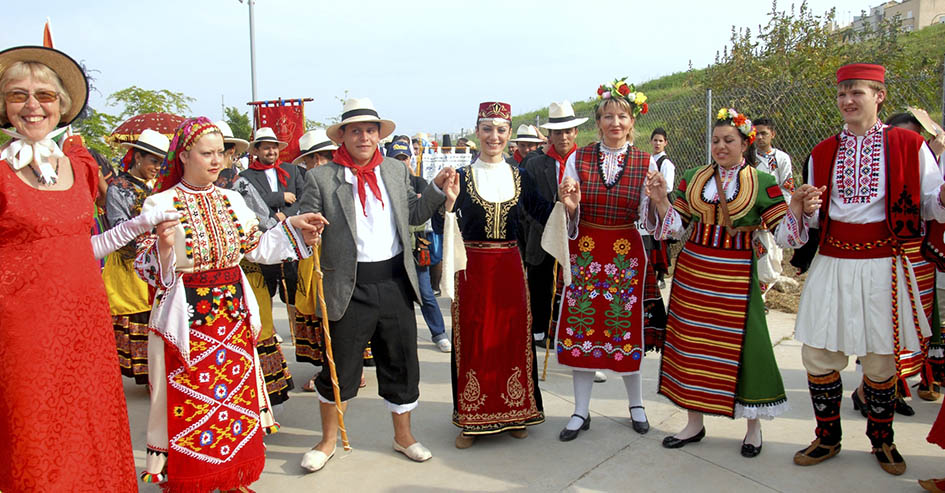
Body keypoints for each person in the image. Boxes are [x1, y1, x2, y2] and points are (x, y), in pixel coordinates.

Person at [0, 44, 178, 492]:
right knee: (34, 432)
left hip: (85, 321)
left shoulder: (78, 167)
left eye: (45, 95)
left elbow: (89, 244)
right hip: (22, 329)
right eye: (18, 95)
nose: (32, 105)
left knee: (88, 424)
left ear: (62, 106)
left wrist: (147, 225)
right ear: (4, 106)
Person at [135, 117, 323, 491]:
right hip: (187, 324)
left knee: (233, 402)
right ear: (184, 154)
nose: (217, 160)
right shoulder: (160, 202)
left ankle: (231, 476)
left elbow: (258, 248)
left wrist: (294, 227)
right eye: (207, 153)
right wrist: (163, 246)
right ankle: (194, 480)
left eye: (221, 152)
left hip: (233, 319)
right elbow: (146, 267)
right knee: (193, 405)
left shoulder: (232, 199)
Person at [791, 64, 945, 476]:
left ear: (879, 96)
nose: (847, 101)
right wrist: (805, 209)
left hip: (884, 262)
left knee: (881, 361)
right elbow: (812, 222)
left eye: (856, 92)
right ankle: (827, 437)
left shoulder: (910, 145)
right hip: (834, 260)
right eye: (842, 94)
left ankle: (883, 441)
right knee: (819, 355)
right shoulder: (822, 151)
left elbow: (930, 204)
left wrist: (944, 195)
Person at [647, 106, 820, 458]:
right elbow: (676, 228)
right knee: (691, 347)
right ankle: (694, 422)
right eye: (715, 140)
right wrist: (661, 200)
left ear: (745, 143)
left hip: (736, 275)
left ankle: (752, 428)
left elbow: (785, 236)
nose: (720, 146)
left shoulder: (763, 182)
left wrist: (798, 207)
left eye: (728, 140)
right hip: (693, 272)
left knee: (746, 347)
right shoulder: (694, 177)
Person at [297, 98, 452, 471]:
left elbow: (412, 215)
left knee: (400, 363)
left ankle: (403, 437)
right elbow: (300, 220)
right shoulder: (323, 177)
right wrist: (307, 229)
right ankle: (328, 441)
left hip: (395, 283)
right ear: (344, 137)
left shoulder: (396, 171)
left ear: (379, 135)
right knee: (340, 368)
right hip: (348, 288)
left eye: (370, 130)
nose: (364, 137)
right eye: (356, 131)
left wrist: (435, 189)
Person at [444, 101, 578, 448]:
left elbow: (543, 212)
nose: (494, 136)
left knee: (511, 339)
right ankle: (471, 419)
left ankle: (516, 412)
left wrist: (566, 203)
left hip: (509, 269)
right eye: (487, 129)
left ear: (509, 135)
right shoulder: (460, 177)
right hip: (472, 271)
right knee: (474, 341)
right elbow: (443, 221)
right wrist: (446, 204)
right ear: (477, 132)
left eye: (501, 130)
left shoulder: (521, 176)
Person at [553, 84, 668, 442]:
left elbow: (649, 221)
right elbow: (570, 211)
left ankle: (636, 406)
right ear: (599, 121)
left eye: (621, 116)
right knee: (583, 328)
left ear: (632, 121)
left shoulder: (646, 162)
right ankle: (580, 410)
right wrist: (570, 207)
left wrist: (654, 200)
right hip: (586, 249)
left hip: (624, 252)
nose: (614, 122)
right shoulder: (579, 158)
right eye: (607, 116)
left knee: (624, 329)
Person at [291, 128, 370, 391]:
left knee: (344, 318)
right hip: (315, 257)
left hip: (344, 262)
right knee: (323, 318)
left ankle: (347, 371)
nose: (317, 164)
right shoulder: (312, 181)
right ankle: (331, 371)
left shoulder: (347, 177)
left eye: (322, 157)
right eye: (311, 159)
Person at [104, 128, 169, 385]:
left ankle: (158, 376)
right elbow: (119, 228)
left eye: (161, 162)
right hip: (130, 265)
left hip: (157, 262)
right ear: (138, 157)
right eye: (153, 161)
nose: (157, 167)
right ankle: (149, 376)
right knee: (139, 317)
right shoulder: (118, 189)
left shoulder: (160, 187)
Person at [520, 101, 587, 350]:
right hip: (541, 235)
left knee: (572, 287)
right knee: (541, 285)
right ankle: (539, 330)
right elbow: (526, 203)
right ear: (549, 135)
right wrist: (552, 219)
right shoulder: (535, 164)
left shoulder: (585, 161)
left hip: (577, 236)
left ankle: (570, 331)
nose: (564, 137)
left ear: (576, 133)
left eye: (568, 131)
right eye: (558, 132)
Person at [389, 141, 451, 352]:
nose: (401, 163)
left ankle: (439, 333)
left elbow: (424, 209)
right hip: (393, 250)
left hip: (417, 248)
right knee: (395, 298)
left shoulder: (420, 182)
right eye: (396, 159)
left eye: (404, 158)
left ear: (410, 159)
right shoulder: (385, 183)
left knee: (426, 293)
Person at [752, 117, 795, 301]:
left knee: (771, 260)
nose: (760, 137)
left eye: (764, 133)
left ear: (773, 134)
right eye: (757, 133)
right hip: (750, 218)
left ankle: (761, 296)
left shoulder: (781, 158)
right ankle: (756, 300)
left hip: (772, 217)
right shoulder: (748, 157)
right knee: (754, 258)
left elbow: (787, 188)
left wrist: (779, 215)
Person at [641, 127, 675, 289]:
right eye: (655, 140)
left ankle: (661, 275)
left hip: (661, 201)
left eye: (660, 140)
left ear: (665, 143)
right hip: (650, 200)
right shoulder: (650, 160)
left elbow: (668, 187)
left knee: (661, 239)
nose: (657, 143)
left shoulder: (666, 163)